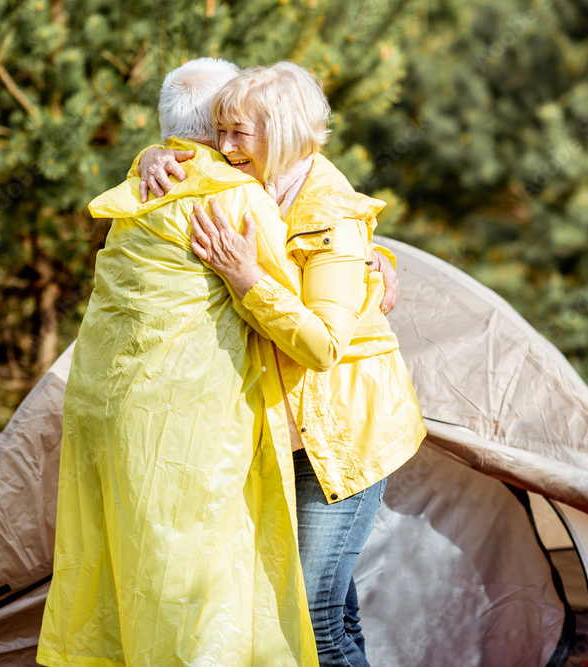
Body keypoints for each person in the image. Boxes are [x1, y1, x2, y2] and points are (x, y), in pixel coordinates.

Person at [138, 62, 426, 667]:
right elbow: (182, 167)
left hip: (341, 440)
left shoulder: (330, 216)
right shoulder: (263, 182)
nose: (224, 147)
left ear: (285, 131)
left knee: (313, 620)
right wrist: (147, 158)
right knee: (336, 613)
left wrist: (246, 280)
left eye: (238, 133)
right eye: (220, 131)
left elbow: (322, 344)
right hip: (293, 434)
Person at [36, 58, 319, 667]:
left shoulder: (140, 183)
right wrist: (374, 274)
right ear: (222, 122)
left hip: (100, 410)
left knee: (114, 571)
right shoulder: (233, 196)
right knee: (198, 585)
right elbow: (306, 314)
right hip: (185, 428)